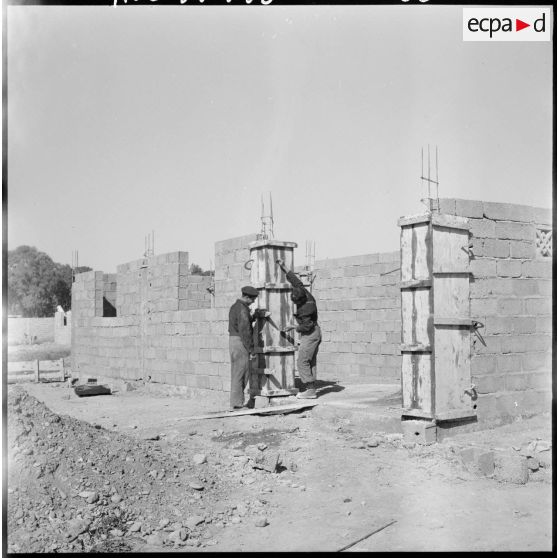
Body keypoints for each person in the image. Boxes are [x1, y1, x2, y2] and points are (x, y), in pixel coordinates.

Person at [276, 258, 321, 399]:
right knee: (309, 361)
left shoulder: (307, 308)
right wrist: (284, 267)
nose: (295, 303)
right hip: (313, 332)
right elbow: (296, 281)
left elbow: (307, 326)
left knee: (302, 361)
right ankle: (311, 388)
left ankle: (310, 390)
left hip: (311, 333)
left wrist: (293, 327)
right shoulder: (302, 291)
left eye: (296, 302)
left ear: (300, 300)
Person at [228, 285, 260, 410]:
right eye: (252, 299)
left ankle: (236, 402)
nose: (253, 302)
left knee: (237, 372)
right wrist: (251, 349)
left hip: (234, 341)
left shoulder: (235, 306)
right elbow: (245, 331)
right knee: (241, 373)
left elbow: (241, 323)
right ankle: (237, 404)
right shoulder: (242, 309)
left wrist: (253, 317)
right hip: (240, 342)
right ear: (246, 297)